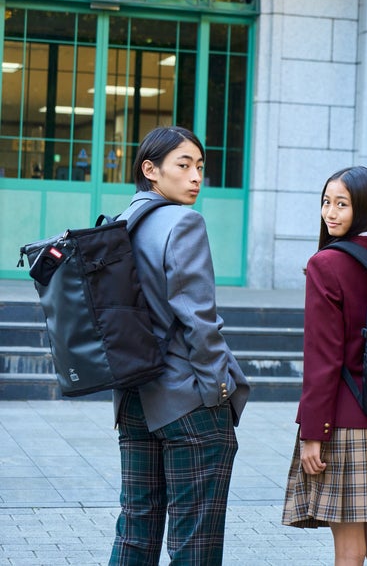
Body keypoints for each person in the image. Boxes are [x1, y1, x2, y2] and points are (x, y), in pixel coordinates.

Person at [109, 126, 250, 566]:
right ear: (150, 170)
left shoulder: (120, 223)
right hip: (186, 400)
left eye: (200, 167)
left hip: (133, 397)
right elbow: (198, 320)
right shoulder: (184, 222)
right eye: (184, 165)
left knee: (135, 531)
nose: (195, 177)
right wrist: (218, 390)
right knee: (195, 544)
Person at [282, 166, 367, 566]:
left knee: (349, 552)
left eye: (342, 204)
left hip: (344, 424)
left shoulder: (326, 263)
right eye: (326, 202)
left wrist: (313, 433)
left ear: (365, 207)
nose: (330, 212)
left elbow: (322, 358)